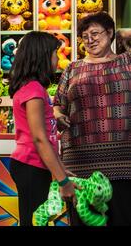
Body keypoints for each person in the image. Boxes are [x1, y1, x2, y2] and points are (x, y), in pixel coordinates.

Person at [54, 12, 131, 226]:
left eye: (95, 33)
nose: (90, 40)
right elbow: (57, 106)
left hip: (124, 161)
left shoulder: (127, 61)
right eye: (84, 36)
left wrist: (123, 33)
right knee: (86, 220)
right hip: (80, 162)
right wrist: (59, 116)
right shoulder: (72, 68)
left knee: (123, 217)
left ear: (110, 33)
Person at [8, 31, 77, 226]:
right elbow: (39, 139)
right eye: (56, 53)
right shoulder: (34, 90)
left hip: (33, 166)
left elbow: (43, 134)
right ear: (43, 56)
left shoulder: (33, 87)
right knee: (33, 222)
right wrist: (63, 182)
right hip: (31, 166)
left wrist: (61, 170)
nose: (58, 59)